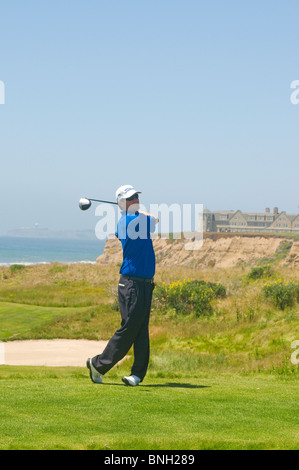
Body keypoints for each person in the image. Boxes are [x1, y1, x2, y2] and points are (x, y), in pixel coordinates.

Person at [87, 184, 159, 386]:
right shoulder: (130, 221)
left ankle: (136, 375)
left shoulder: (131, 218)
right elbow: (155, 218)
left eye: (136, 195)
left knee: (140, 329)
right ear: (122, 202)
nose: (136, 199)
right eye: (131, 197)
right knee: (130, 328)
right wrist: (136, 211)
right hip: (131, 284)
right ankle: (97, 364)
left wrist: (131, 208)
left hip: (145, 284)